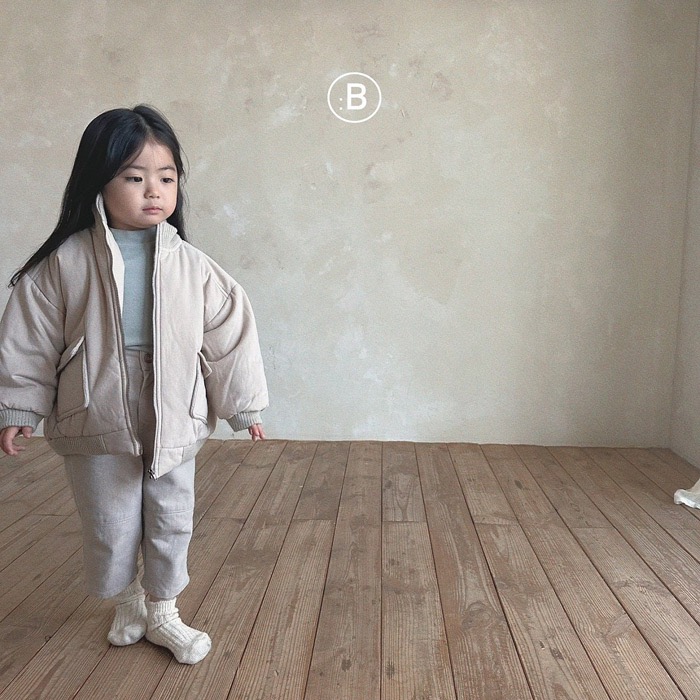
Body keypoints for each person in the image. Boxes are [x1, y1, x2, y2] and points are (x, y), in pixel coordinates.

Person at [0, 105, 269, 664]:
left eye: (167, 178)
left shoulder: (194, 266)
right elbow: (29, 341)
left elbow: (228, 334)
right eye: (135, 176)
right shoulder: (63, 265)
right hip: (95, 408)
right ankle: (127, 603)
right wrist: (19, 408)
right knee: (110, 517)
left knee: (171, 514)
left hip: (173, 407)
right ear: (97, 181)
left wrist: (244, 406)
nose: (155, 190)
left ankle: (164, 610)